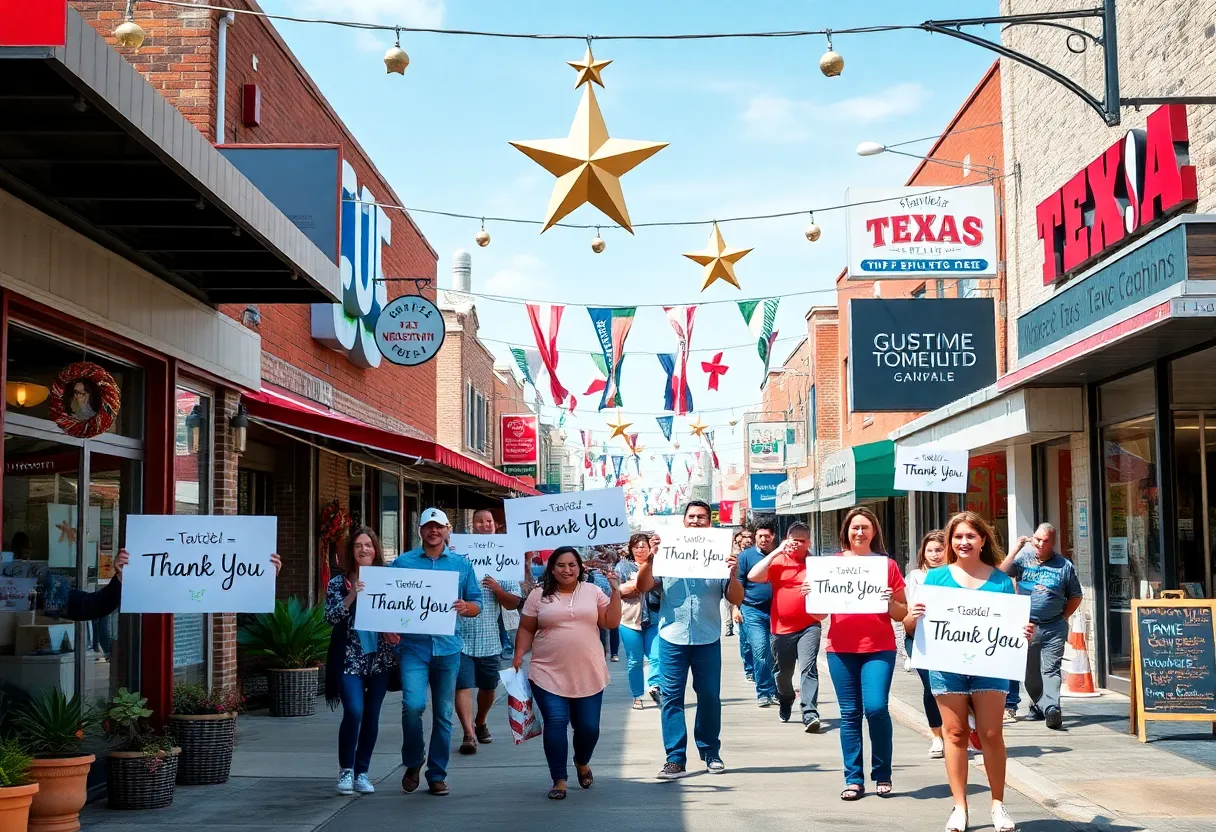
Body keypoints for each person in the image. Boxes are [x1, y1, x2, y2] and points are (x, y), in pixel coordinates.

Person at [907, 511, 1034, 832]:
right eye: (958, 537)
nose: (964, 542)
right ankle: (960, 807)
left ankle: (998, 805)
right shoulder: (935, 579)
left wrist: (1024, 633)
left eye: (970, 536)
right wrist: (915, 616)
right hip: (946, 665)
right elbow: (910, 627)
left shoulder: (1001, 581)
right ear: (950, 542)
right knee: (955, 734)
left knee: (991, 734)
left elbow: (1012, 627)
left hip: (990, 666)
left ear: (983, 540)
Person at [634, 500, 744, 780]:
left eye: (702, 517)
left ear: (710, 522)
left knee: (709, 697)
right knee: (671, 699)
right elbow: (643, 586)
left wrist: (732, 573)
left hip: (707, 637)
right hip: (672, 637)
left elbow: (735, 597)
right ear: (684, 521)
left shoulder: (720, 553)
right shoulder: (668, 553)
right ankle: (675, 758)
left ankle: (710, 752)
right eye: (692, 517)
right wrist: (651, 559)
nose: (696, 521)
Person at [513, 546, 621, 800]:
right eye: (561, 565)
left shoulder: (593, 591)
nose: (567, 570)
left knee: (588, 728)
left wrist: (616, 590)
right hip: (547, 672)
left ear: (580, 568)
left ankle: (582, 761)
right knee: (556, 722)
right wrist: (519, 654)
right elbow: (527, 628)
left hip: (589, 672)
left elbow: (610, 622)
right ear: (552, 568)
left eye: (572, 565)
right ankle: (559, 779)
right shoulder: (539, 595)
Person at [392, 508, 482, 797]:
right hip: (413, 647)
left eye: (439, 527)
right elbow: (387, 600)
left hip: (448, 648)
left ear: (447, 530)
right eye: (428, 527)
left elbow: (476, 602)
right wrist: (384, 624)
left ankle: (436, 773)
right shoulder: (402, 563)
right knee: (413, 706)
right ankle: (414, 758)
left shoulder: (461, 564)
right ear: (420, 531)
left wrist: (467, 608)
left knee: (444, 714)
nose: (434, 531)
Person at [824, 506, 907, 801]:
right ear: (846, 531)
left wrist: (888, 602)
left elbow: (901, 613)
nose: (859, 532)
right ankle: (854, 778)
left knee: (875, 708)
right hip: (840, 649)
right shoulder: (831, 565)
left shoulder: (887, 566)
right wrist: (812, 594)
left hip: (879, 648)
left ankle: (882, 774)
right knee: (849, 715)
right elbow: (818, 613)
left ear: (874, 532)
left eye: (865, 527)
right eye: (854, 527)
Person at [324, 527, 399, 795]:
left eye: (368, 545)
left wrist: (394, 632)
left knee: (371, 715)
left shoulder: (388, 579)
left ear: (376, 549)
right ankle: (346, 770)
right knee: (354, 711)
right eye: (358, 545)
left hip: (379, 660)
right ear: (351, 551)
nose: (363, 549)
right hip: (349, 659)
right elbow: (330, 618)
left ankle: (362, 772)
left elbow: (400, 613)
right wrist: (352, 594)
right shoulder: (337, 583)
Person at [1000, 523, 1082, 731]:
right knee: (1031, 673)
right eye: (1037, 539)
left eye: (1045, 541)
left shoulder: (1064, 565)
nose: (1040, 543)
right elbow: (1000, 575)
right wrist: (1015, 549)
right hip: (1027, 626)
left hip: (1054, 626)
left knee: (1051, 669)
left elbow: (1076, 596)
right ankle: (1039, 705)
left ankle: (1052, 707)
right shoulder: (1023, 559)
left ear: (1053, 543)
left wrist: (1063, 617)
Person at [746, 521, 821, 731]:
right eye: (793, 540)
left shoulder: (816, 564)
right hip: (781, 627)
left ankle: (810, 712)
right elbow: (753, 575)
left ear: (809, 542)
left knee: (808, 667)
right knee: (783, 673)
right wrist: (777, 550)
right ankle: (786, 698)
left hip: (810, 624)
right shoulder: (778, 560)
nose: (797, 544)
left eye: (802, 541)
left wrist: (814, 591)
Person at [454, 567, 522, 755]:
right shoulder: (459, 560)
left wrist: (497, 589)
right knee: (463, 686)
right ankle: (468, 734)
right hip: (459, 640)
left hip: (489, 641)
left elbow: (513, 603)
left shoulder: (503, 565)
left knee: (488, 687)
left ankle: (480, 721)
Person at [904, 530, 948, 758]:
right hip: (919, 639)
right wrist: (912, 617)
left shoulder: (956, 575)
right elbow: (906, 614)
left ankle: (958, 730)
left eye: (939, 550)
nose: (934, 555)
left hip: (949, 640)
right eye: (930, 551)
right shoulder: (915, 577)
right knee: (931, 688)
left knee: (951, 689)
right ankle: (937, 736)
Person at [735, 516, 778, 706]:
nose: (763, 540)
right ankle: (764, 692)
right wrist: (735, 608)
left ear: (773, 537)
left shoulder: (780, 555)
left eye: (767, 536)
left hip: (777, 611)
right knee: (760, 650)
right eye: (760, 536)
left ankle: (776, 690)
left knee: (776, 652)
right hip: (752, 610)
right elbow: (737, 584)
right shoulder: (745, 557)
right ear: (755, 537)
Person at [618, 533, 660, 709]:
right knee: (635, 660)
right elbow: (616, 590)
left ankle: (655, 686)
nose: (640, 549)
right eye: (636, 546)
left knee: (656, 656)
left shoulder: (658, 565)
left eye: (643, 545)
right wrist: (634, 586)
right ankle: (637, 695)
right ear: (630, 549)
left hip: (654, 618)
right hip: (629, 620)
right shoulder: (623, 567)